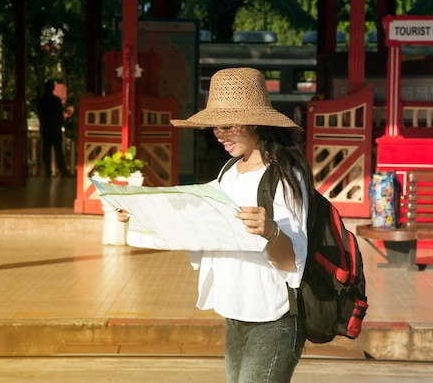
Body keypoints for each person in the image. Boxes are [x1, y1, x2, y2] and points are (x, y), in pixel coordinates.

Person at [117, 67, 315, 383]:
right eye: (214, 128)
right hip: (235, 311)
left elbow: (292, 261)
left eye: (226, 126)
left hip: (274, 318)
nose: (219, 134)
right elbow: (192, 219)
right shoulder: (228, 173)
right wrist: (140, 213)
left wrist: (270, 231)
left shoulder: (285, 178)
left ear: (254, 122)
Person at [36, 79, 71, 178]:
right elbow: (60, 115)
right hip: (55, 128)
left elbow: (40, 114)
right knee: (58, 150)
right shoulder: (56, 100)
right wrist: (63, 126)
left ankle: (48, 171)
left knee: (46, 150)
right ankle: (62, 170)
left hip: (46, 128)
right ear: (53, 88)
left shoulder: (41, 100)